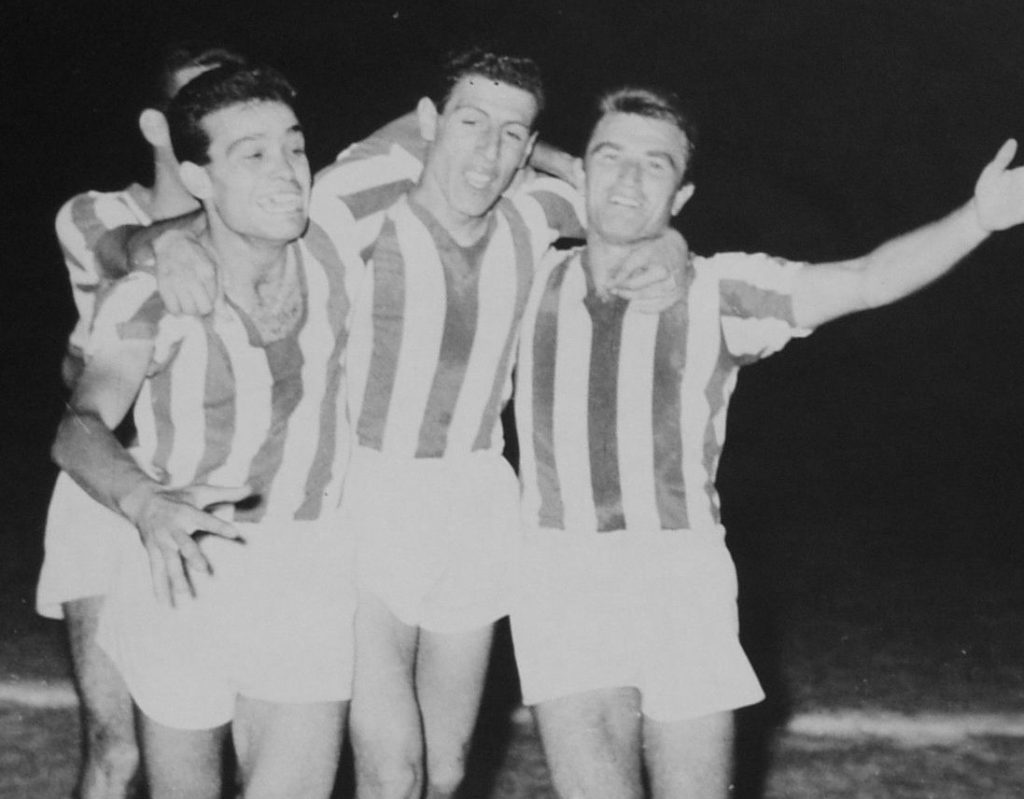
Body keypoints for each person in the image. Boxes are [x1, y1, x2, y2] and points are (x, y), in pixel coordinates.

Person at [102, 46, 685, 799]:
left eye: (513, 134)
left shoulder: (538, 212)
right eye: (470, 122)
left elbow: (624, 211)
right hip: (369, 494)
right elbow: (231, 216)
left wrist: (668, 243)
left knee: (443, 770)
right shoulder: (358, 198)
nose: (489, 149)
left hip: (476, 497)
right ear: (430, 121)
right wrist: (162, 241)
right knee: (393, 769)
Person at [509, 85, 1024, 799]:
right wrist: (556, 157)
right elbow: (450, 146)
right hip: (559, 574)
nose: (628, 178)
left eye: (655, 165)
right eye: (610, 157)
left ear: (682, 196)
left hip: (679, 574)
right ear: (581, 169)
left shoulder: (720, 288)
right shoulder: (521, 274)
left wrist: (977, 219)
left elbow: (866, 279)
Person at [51, 63, 356, 799]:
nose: (286, 171)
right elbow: (79, 426)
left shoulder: (338, 240)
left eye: (294, 147)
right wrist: (145, 503)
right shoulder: (150, 295)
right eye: (252, 155)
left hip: (308, 564)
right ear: (197, 177)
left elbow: (442, 132)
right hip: (188, 569)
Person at [34, 41, 247, 799]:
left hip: (214, 491)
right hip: (104, 485)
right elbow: (118, 248)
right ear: (157, 125)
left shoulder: (262, 219)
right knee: (114, 748)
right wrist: (179, 238)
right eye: (201, 102)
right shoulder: (96, 209)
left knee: (216, 738)